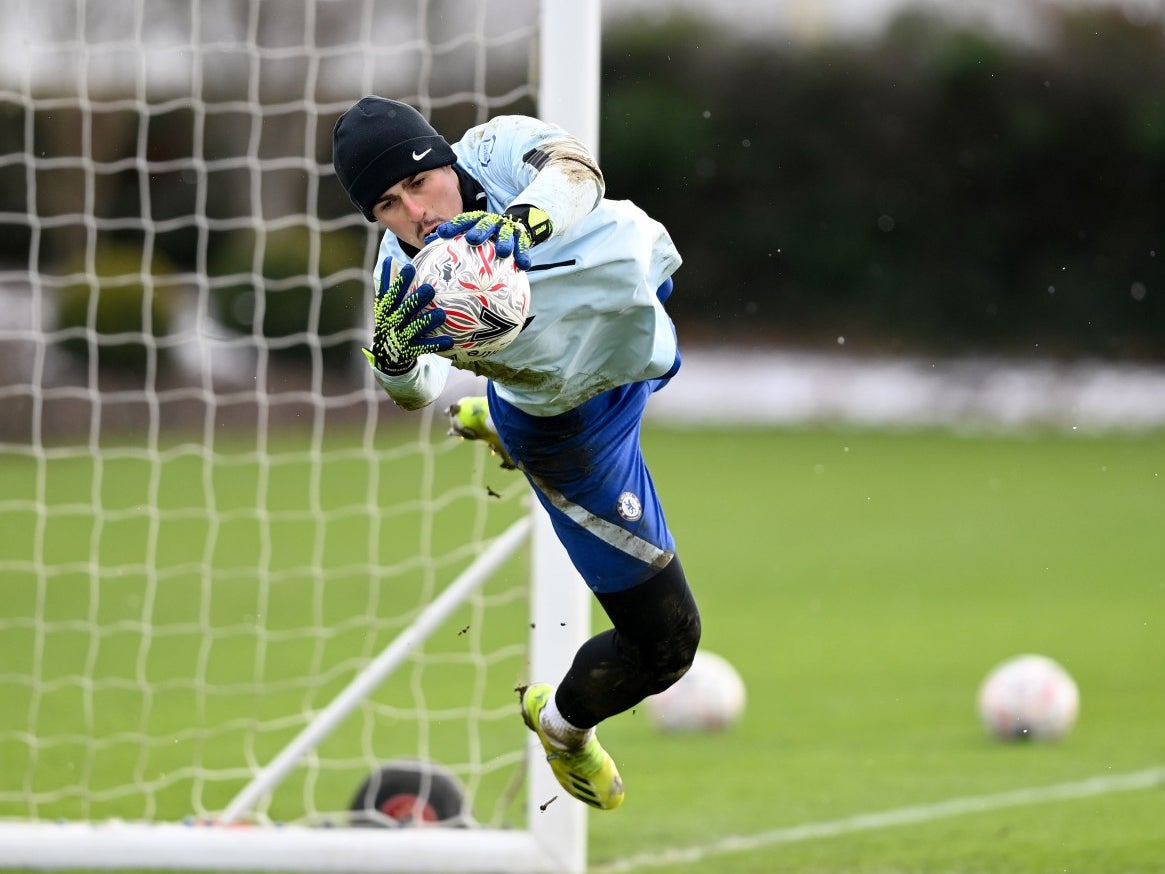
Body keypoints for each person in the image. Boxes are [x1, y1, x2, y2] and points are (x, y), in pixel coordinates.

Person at [332, 96, 701, 811]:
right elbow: (413, 389)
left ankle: (497, 417)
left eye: (418, 181)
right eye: (386, 203)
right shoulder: (403, 276)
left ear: (442, 158)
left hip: (628, 327)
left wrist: (513, 228)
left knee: (619, 294)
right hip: (571, 433)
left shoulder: (498, 147)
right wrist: (392, 353)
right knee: (667, 644)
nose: (414, 210)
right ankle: (561, 728)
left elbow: (576, 173)